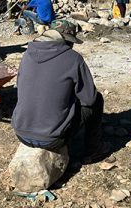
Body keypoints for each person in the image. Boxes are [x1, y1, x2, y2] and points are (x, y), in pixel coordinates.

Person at [12, 20, 107, 163]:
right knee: (98, 99)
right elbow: (90, 99)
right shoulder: (74, 58)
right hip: (53, 139)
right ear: (67, 40)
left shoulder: (27, 54)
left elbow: (21, 88)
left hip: (21, 133)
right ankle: (93, 150)